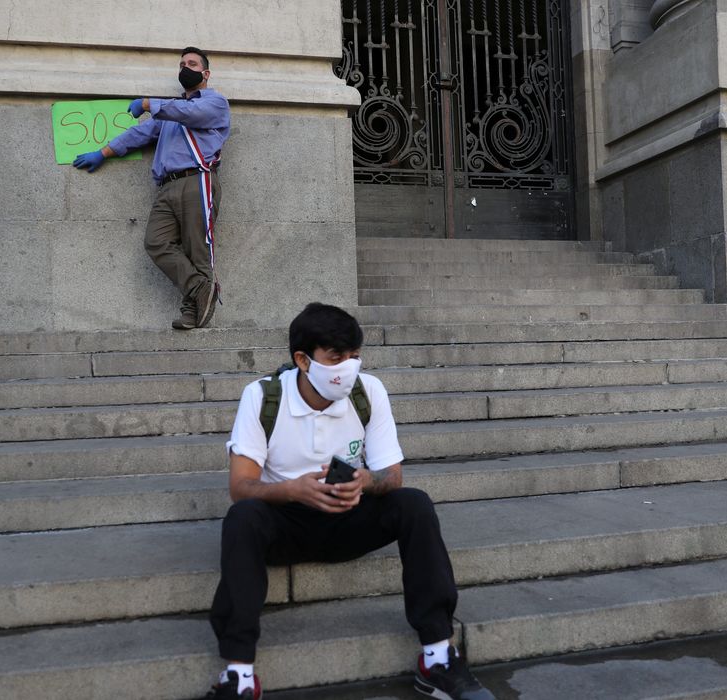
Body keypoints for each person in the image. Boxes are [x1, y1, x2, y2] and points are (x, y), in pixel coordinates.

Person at [206, 303, 494, 699]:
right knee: (242, 517)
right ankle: (239, 675)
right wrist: (293, 490)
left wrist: (364, 481)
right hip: (285, 523)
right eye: (336, 358)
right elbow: (241, 486)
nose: (349, 366)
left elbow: (393, 476)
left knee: (414, 504)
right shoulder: (262, 397)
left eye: (355, 356)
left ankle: (438, 656)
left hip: (347, 517)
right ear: (303, 360)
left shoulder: (368, 391)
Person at [72, 46, 231, 330]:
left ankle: (193, 309)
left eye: (192, 63)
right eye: (182, 63)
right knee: (156, 242)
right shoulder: (172, 112)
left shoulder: (215, 103)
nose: (185, 67)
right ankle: (199, 288)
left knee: (198, 247)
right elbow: (140, 133)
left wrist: (147, 103)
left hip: (197, 180)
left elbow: (191, 113)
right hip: (167, 187)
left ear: (205, 73)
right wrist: (104, 152)